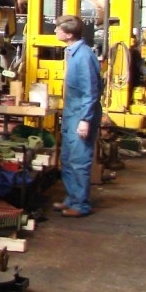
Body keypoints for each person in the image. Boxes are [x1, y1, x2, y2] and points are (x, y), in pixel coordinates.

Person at [53, 14, 103, 218]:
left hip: (81, 115)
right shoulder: (72, 52)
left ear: (69, 34)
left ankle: (81, 204)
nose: (55, 31)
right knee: (67, 159)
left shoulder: (83, 55)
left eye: (58, 29)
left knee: (79, 160)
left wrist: (85, 120)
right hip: (71, 113)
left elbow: (91, 91)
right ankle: (72, 198)